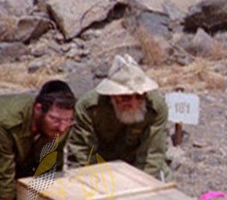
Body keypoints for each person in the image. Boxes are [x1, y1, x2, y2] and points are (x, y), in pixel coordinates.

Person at [66, 54, 172, 182]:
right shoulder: (88, 108)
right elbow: (82, 153)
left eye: (139, 96)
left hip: (140, 165)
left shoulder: (156, 107)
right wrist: (99, 184)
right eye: (126, 97)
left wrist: (141, 184)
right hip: (101, 166)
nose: (134, 104)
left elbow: (152, 155)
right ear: (112, 95)